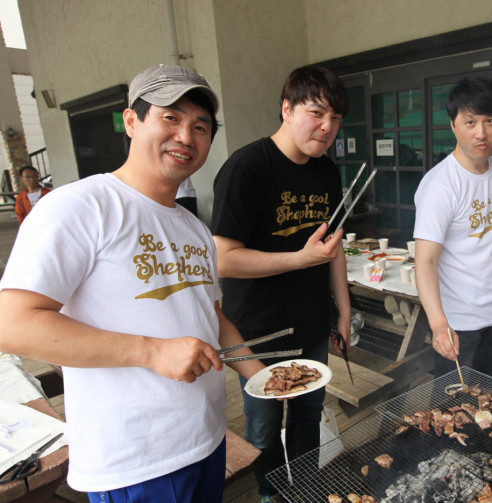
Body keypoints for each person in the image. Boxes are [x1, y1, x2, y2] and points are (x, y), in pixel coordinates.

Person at [0, 64, 266, 502]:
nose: (186, 136)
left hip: (208, 437)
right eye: (170, 118)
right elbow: (13, 325)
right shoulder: (80, 207)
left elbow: (211, 316)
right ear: (131, 121)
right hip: (137, 460)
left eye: (200, 126)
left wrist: (261, 377)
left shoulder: (195, 229)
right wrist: (152, 351)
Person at [210, 65, 351, 503]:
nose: (327, 127)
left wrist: (344, 310)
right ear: (287, 110)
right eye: (316, 113)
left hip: (311, 323)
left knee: (309, 414)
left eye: (335, 118)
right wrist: (299, 259)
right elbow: (223, 259)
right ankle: (271, 495)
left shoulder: (327, 173)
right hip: (257, 332)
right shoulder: (247, 168)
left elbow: (333, 248)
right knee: (264, 426)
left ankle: (304, 491)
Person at [413, 76, 492, 383]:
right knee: (453, 404)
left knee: (487, 395)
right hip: (458, 321)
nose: (481, 133)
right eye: (470, 122)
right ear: (453, 125)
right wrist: (439, 325)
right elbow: (425, 262)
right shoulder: (441, 186)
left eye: (490, 120)